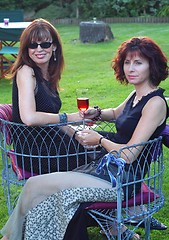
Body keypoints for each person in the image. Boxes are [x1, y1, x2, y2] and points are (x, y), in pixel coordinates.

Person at [1, 36, 168, 240]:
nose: (130, 68)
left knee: (39, 188)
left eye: (138, 63)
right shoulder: (137, 95)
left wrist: (99, 140)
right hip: (104, 168)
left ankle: (14, 237)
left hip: (122, 180)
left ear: (152, 65)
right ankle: (15, 237)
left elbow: (130, 155)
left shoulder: (155, 103)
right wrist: (95, 113)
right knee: (34, 186)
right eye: (127, 62)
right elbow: (116, 113)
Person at [9, 18, 92, 176]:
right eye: (33, 45)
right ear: (26, 49)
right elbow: (29, 118)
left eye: (45, 44)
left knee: (96, 143)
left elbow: (51, 117)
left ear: (54, 46)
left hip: (50, 139)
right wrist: (69, 117)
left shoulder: (49, 73)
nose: (39, 49)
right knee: (94, 155)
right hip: (34, 150)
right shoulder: (26, 71)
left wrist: (75, 133)